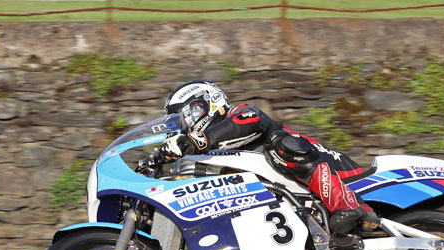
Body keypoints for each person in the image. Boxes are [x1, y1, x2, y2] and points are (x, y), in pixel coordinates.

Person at [159, 80, 378, 238]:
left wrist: (198, 139)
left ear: (207, 104)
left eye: (184, 117)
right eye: (176, 123)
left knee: (281, 143)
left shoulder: (241, 114)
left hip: (345, 175)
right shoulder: (205, 154)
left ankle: (350, 205)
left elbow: (251, 122)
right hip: (289, 206)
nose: (182, 126)